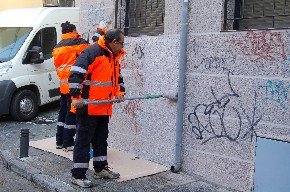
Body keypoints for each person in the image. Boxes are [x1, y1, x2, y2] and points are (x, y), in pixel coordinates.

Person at [68, 29, 126, 188]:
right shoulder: (93, 52)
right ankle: (78, 175)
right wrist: (76, 98)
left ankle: (100, 169)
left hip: (103, 107)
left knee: (101, 140)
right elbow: (75, 74)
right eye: (121, 43)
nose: (123, 46)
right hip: (88, 108)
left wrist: (120, 92)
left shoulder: (114, 56)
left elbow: (117, 78)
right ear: (113, 42)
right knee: (83, 141)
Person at [52, 21, 89, 152]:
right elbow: (90, 52)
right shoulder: (78, 43)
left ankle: (59, 141)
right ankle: (68, 143)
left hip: (63, 85)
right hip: (74, 85)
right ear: (73, 31)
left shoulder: (57, 47)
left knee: (62, 113)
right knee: (71, 114)